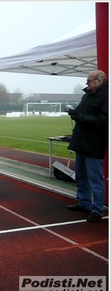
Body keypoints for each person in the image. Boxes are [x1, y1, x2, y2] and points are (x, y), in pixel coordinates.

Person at [66, 70, 108, 222]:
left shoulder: (105, 98)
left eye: (89, 81)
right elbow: (82, 114)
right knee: (81, 176)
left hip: (94, 143)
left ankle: (97, 209)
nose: (86, 83)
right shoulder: (87, 95)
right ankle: (84, 202)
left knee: (95, 179)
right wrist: (74, 113)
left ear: (99, 82)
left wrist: (80, 116)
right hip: (81, 141)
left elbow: (102, 121)